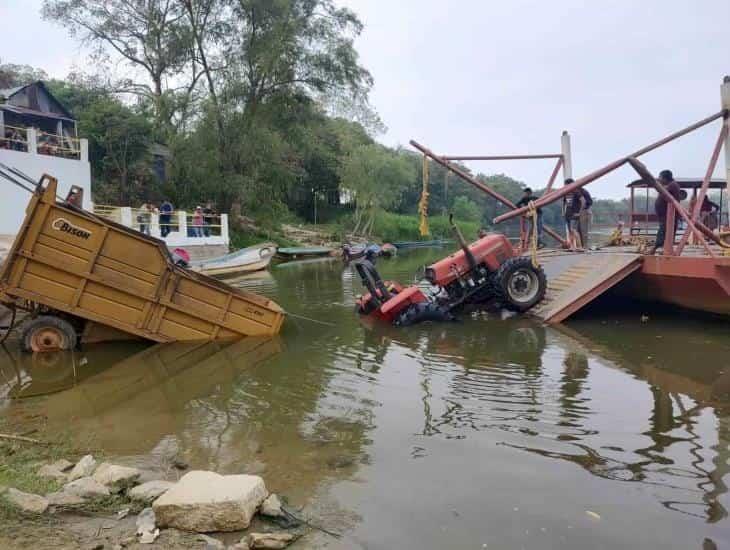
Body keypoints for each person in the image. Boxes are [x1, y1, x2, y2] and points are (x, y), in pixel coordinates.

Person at [647, 169, 682, 255]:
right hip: (666, 215)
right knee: (666, 232)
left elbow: (666, 195)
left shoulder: (672, 185)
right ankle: (665, 249)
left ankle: (654, 249)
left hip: (669, 214)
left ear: (666, 178)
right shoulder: (670, 185)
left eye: (660, 177)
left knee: (663, 232)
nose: (659, 179)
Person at [562, 179, 592, 248]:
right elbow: (564, 203)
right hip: (568, 214)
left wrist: (579, 212)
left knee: (574, 230)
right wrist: (563, 212)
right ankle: (572, 247)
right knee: (570, 231)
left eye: (566, 185)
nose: (565, 186)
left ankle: (580, 247)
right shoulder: (565, 193)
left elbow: (583, 201)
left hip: (575, 213)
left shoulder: (576, 192)